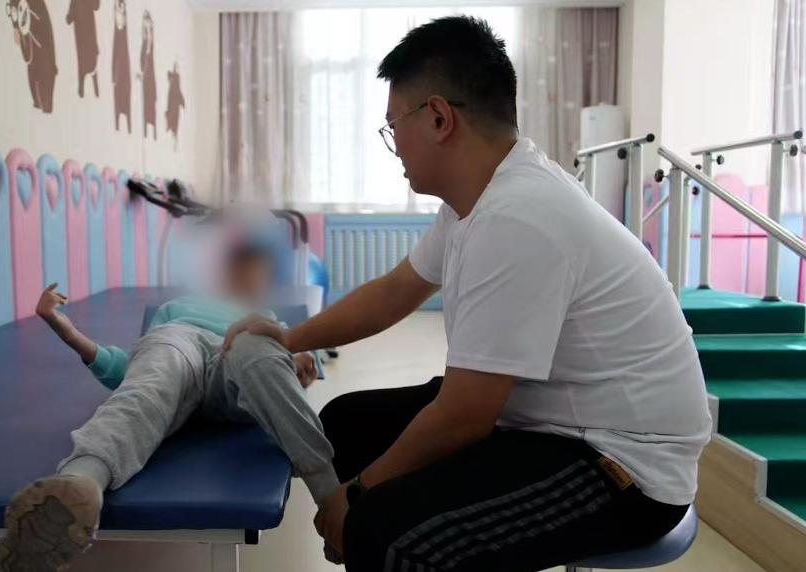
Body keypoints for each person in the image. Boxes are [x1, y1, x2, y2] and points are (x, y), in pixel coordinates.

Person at [223, 15, 712, 572]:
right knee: (344, 426)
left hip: (623, 464)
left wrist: (353, 500)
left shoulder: (517, 216)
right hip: (542, 417)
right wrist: (288, 338)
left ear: (438, 117)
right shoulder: (476, 199)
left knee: (384, 536)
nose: (393, 145)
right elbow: (396, 290)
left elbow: (464, 415)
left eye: (392, 125)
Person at [0, 243, 338, 572]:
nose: (248, 281)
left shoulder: (269, 320)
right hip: (179, 341)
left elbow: (290, 367)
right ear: (226, 274)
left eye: (256, 276)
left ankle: (330, 498)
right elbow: (132, 371)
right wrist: (67, 332)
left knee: (256, 348)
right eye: (242, 272)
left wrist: (297, 362)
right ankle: (79, 485)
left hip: (237, 361)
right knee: (147, 390)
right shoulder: (178, 308)